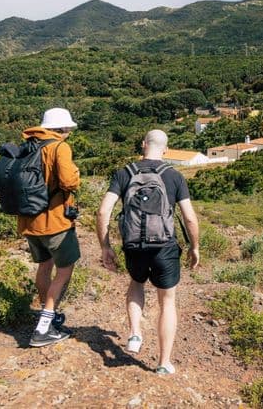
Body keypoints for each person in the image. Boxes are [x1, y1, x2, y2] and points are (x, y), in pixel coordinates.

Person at [96, 129, 200, 375]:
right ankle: (163, 363)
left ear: (143, 145)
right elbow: (190, 218)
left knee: (136, 283)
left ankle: (134, 334)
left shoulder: (124, 173)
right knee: (167, 301)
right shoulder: (174, 176)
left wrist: (105, 246)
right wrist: (194, 247)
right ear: (166, 149)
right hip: (164, 246)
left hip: (133, 245)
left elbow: (103, 212)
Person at [18, 107, 81, 347]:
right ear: (63, 129)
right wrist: (76, 172)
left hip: (29, 221)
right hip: (55, 222)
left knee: (44, 268)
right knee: (64, 271)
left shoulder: (28, 145)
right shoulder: (59, 147)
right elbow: (69, 181)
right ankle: (44, 327)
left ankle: (49, 315)